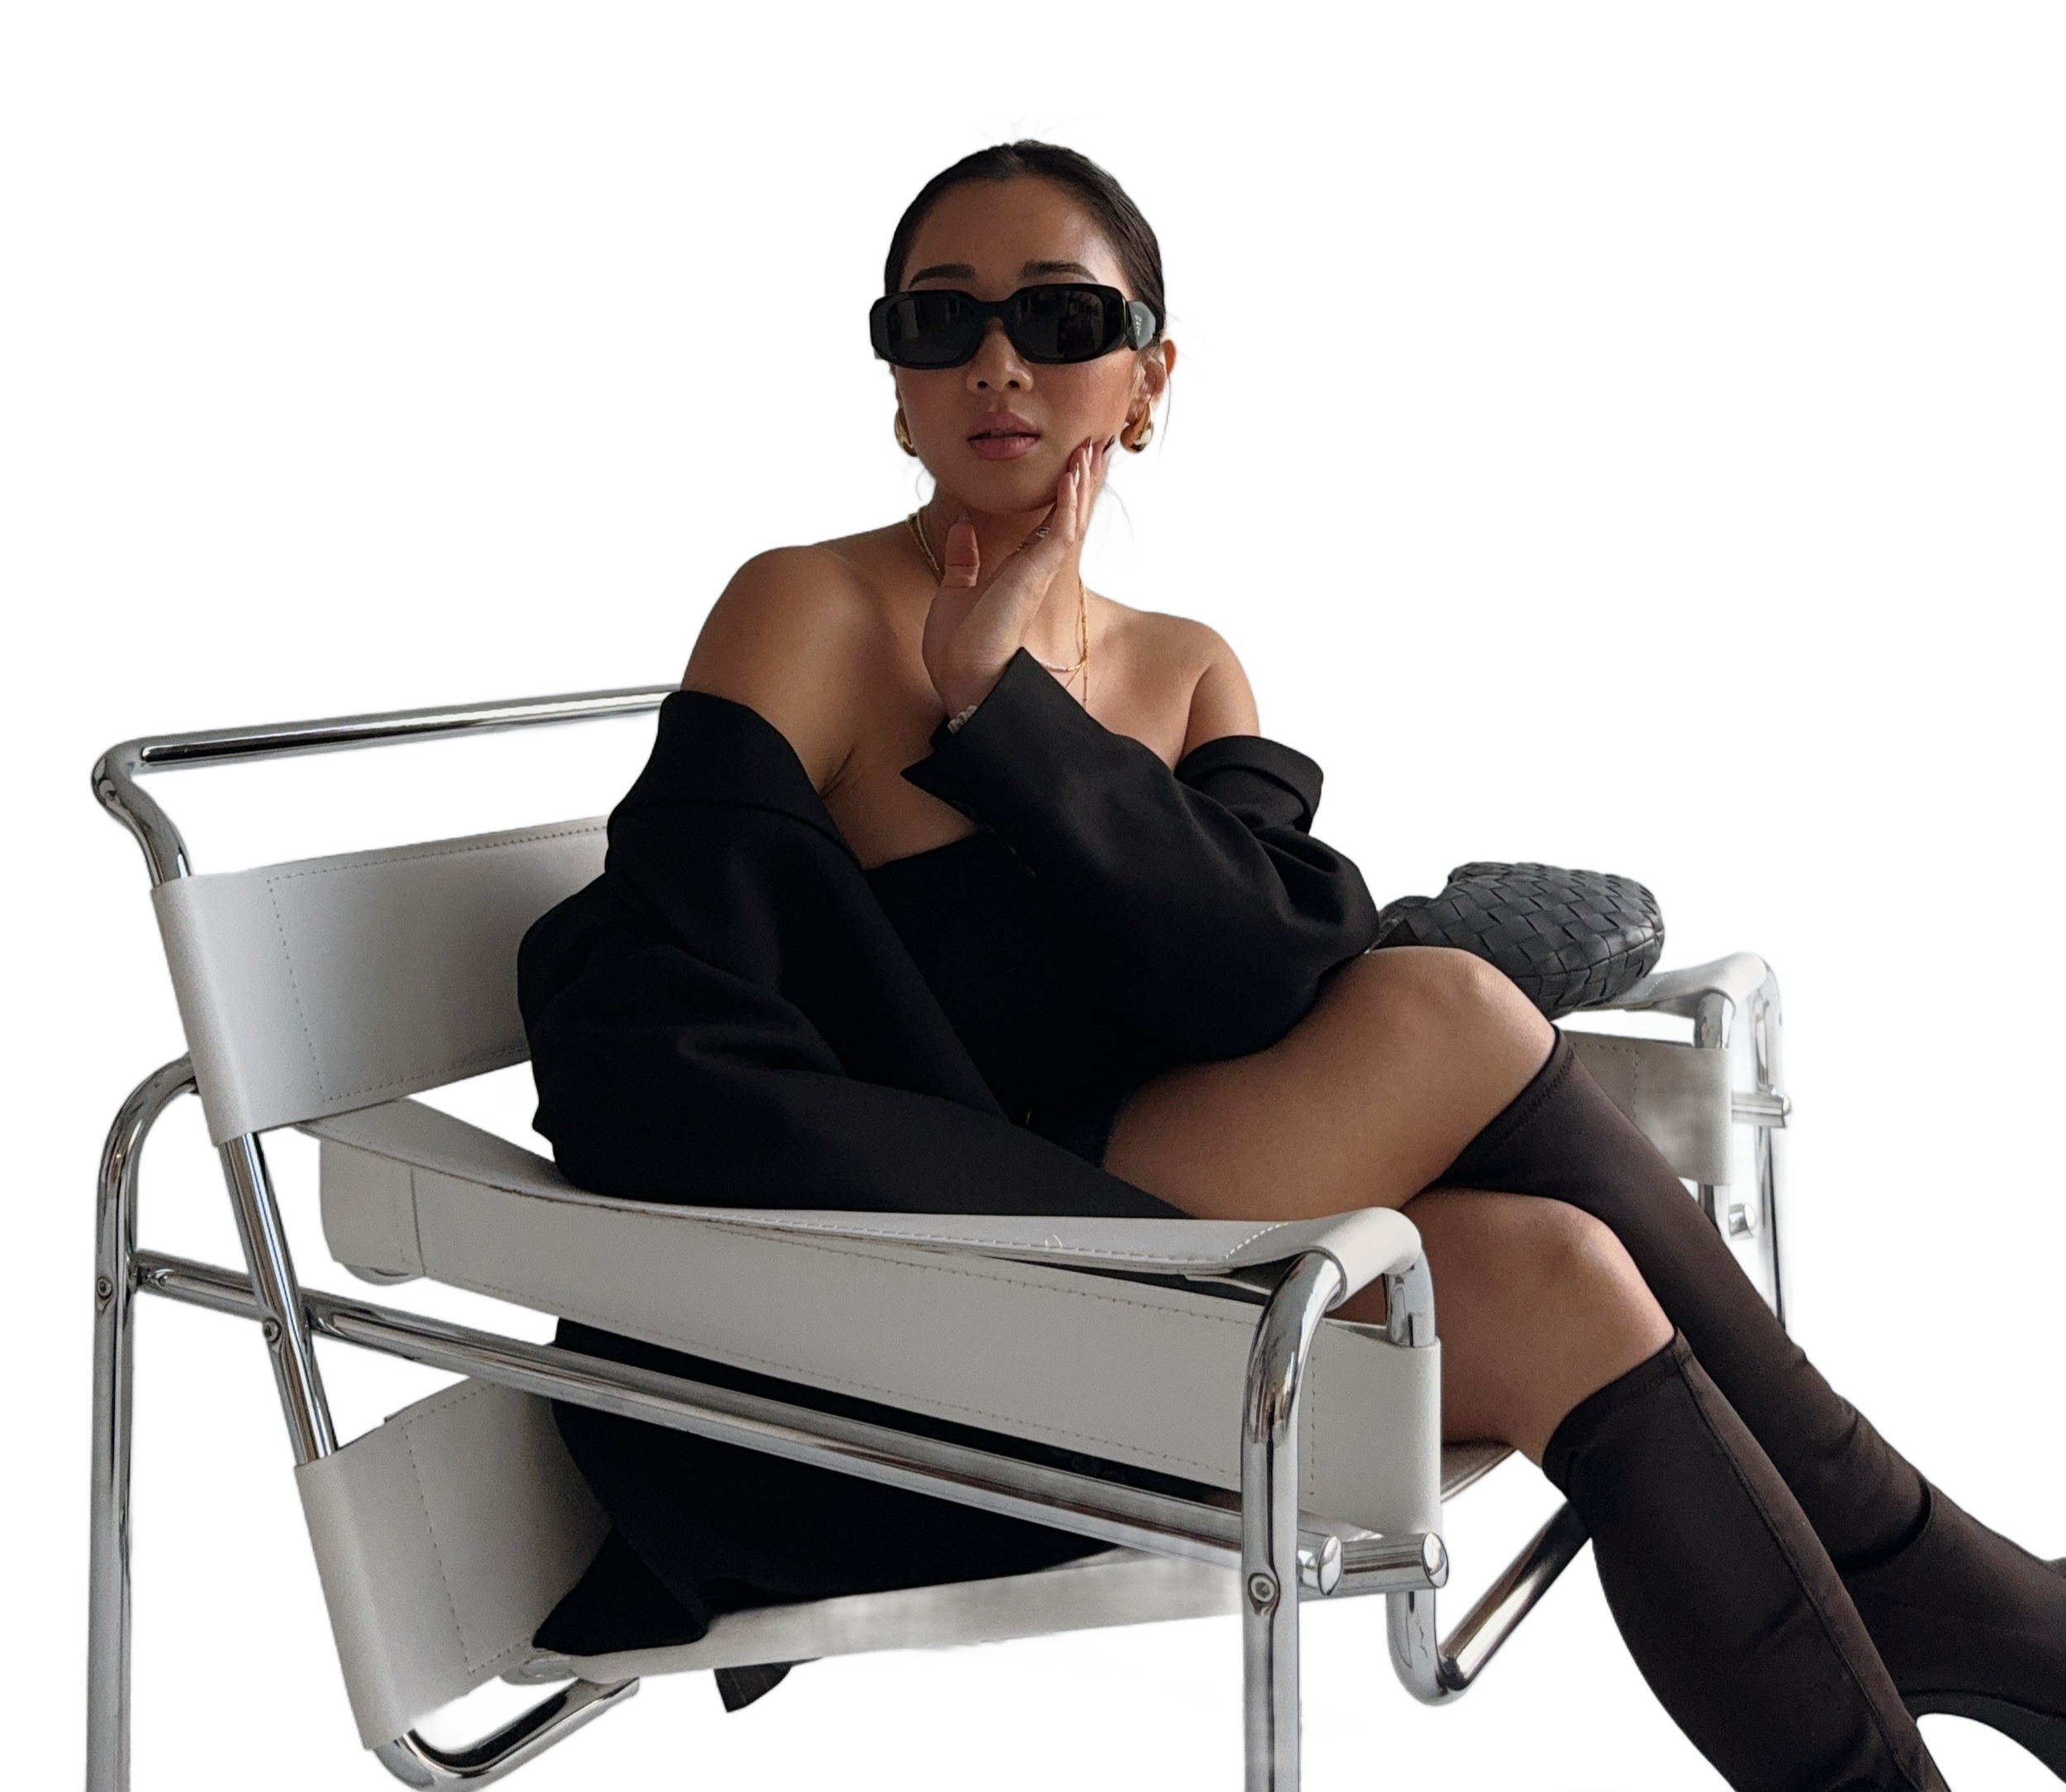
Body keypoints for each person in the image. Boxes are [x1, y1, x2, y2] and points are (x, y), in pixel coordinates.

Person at [519, 118, 2062, 1789]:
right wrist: (1047, 1239)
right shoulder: (802, 608)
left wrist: (1006, 709)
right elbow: (659, 1042)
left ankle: (1898, 1688)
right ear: (894, 380)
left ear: (1148, 382)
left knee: (1556, 1277)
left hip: (1190, 1301)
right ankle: (1935, 1579)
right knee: (1448, 1006)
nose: (995, 363)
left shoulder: (1188, 669)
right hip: (892, 1343)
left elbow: (1261, 981)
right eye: (938, 319)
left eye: (1059, 319)